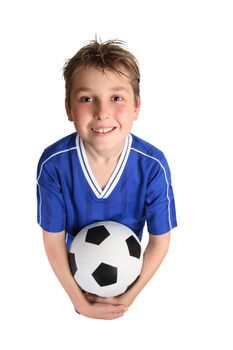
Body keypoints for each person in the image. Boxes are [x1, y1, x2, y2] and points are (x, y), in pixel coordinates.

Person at [36, 39, 177, 320]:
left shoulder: (152, 165)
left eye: (117, 98)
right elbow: (52, 240)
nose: (102, 112)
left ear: (137, 106)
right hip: (74, 275)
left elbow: (160, 240)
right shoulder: (54, 164)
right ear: (69, 108)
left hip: (129, 279)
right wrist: (80, 304)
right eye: (87, 99)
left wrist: (127, 298)